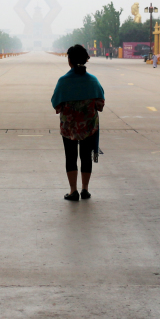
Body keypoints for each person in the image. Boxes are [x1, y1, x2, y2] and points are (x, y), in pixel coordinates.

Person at [51, 44, 105, 202]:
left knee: (71, 156)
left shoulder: (63, 81)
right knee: (86, 157)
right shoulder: (93, 81)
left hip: (69, 128)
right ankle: (85, 190)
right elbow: (100, 104)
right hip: (89, 127)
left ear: (69, 61)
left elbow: (56, 104)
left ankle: (73, 191)